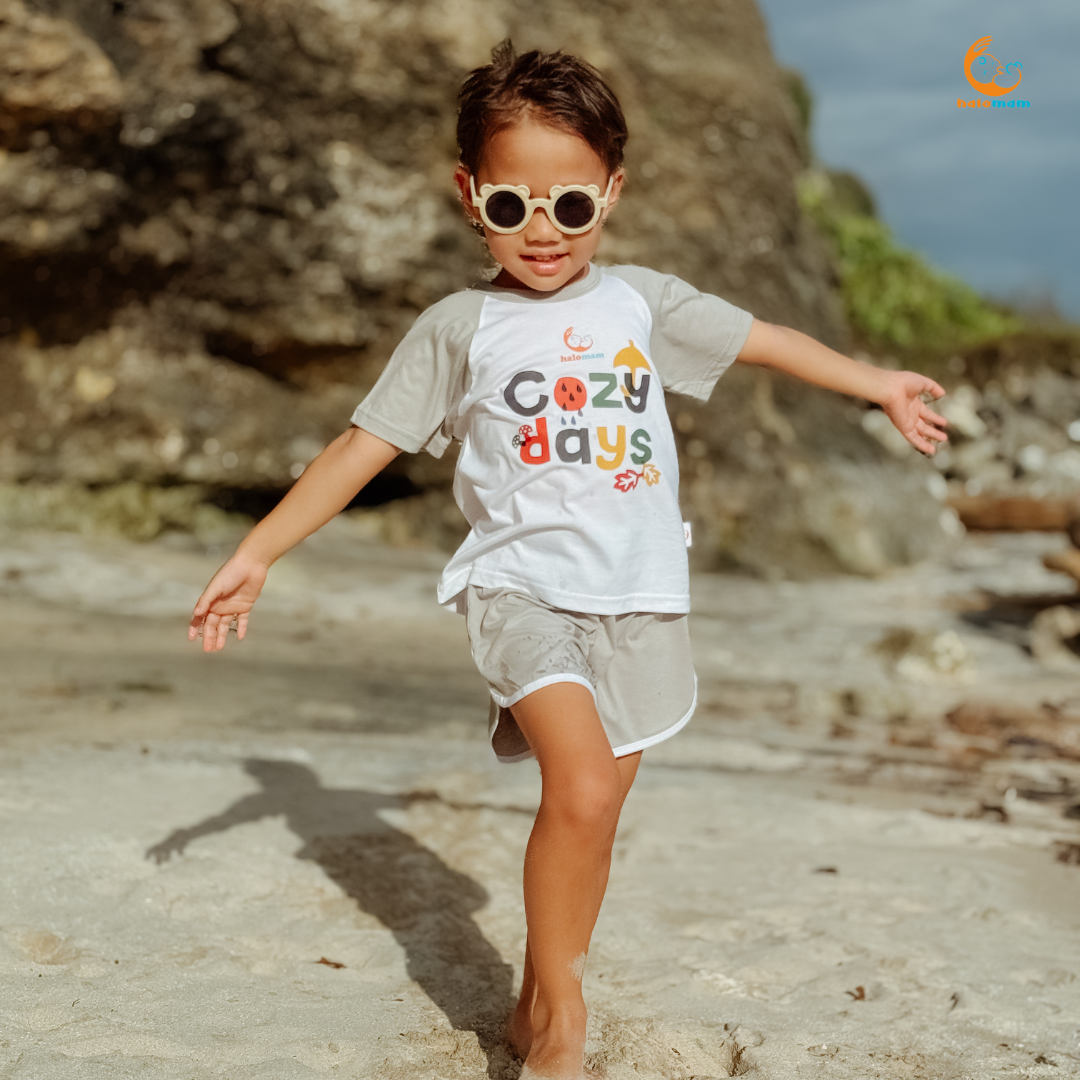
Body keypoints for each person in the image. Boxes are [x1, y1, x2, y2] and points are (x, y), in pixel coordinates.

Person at [187, 43, 948, 1080]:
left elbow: (764, 339)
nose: (542, 231)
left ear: (611, 193)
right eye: (512, 206)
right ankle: (562, 1028)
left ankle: (535, 1000)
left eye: (571, 206)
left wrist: (879, 384)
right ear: (471, 195)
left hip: (641, 597)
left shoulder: (641, 303)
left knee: (594, 814)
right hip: (521, 591)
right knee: (581, 788)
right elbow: (362, 446)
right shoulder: (460, 327)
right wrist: (257, 551)